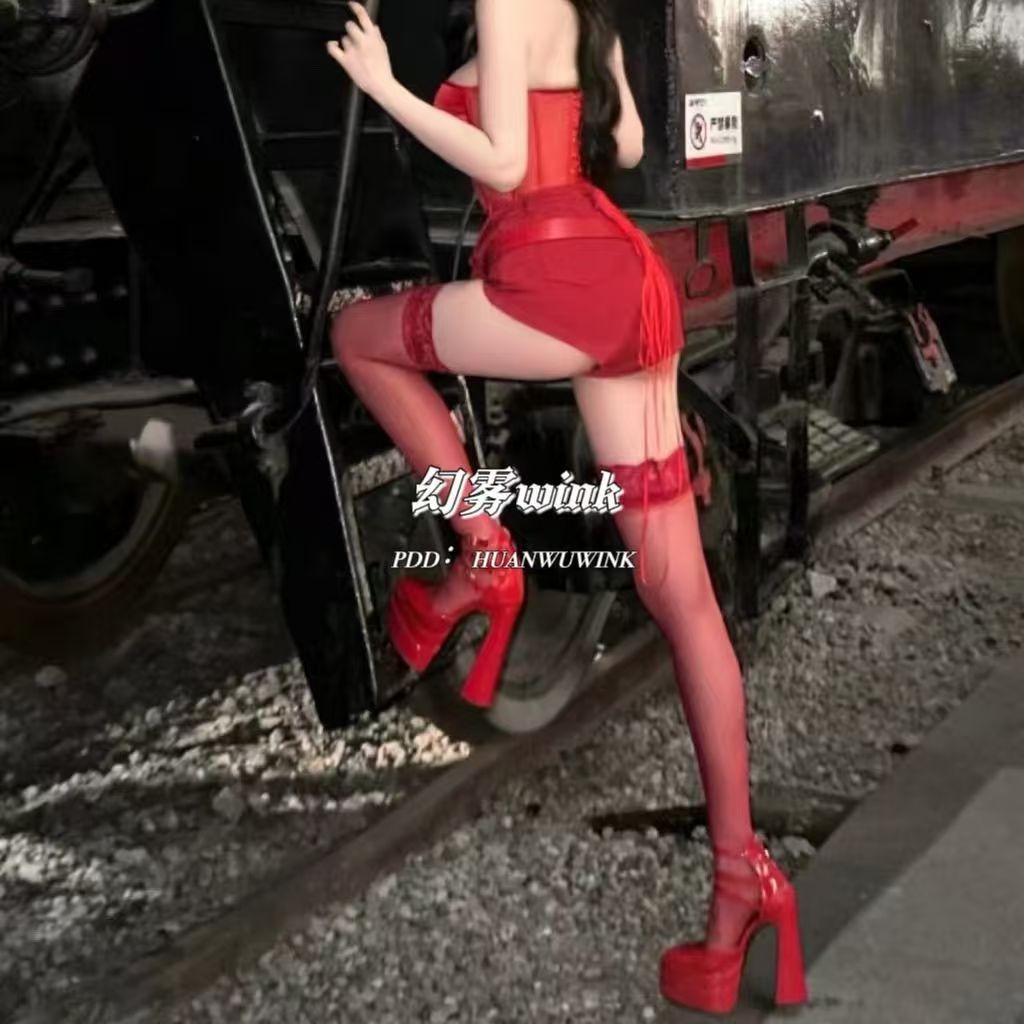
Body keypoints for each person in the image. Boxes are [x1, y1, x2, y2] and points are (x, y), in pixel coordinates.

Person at [327, 0, 808, 1013]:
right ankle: (742, 878)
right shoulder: (587, 16)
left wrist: (387, 91)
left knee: (358, 339)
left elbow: (503, 163)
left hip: (551, 283)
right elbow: (624, 145)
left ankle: (483, 550)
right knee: (685, 605)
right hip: (628, 282)